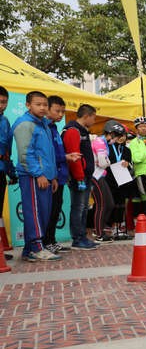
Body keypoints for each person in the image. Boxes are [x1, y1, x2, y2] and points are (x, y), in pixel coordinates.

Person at [12, 91, 60, 261]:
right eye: (38, 104)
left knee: (42, 213)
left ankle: (29, 250)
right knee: (34, 212)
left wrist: (52, 176)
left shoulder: (43, 124)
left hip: (45, 177)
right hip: (32, 176)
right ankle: (37, 247)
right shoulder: (25, 124)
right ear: (28, 105)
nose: (42, 107)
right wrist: (38, 174)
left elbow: (48, 154)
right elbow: (25, 154)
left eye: (45, 104)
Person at [42, 95, 75, 254]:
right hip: (50, 176)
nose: (61, 114)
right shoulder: (44, 128)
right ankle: (45, 241)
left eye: (63, 111)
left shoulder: (54, 128)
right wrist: (65, 157)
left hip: (60, 176)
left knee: (56, 209)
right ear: (47, 109)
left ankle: (52, 240)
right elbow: (49, 154)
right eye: (57, 111)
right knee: (49, 210)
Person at [62, 104, 98, 250]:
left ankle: (82, 236)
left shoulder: (82, 131)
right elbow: (74, 155)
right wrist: (79, 177)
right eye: (93, 118)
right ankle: (77, 238)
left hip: (85, 175)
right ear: (86, 116)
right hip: (79, 177)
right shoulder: (73, 130)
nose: (94, 121)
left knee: (83, 208)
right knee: (78, 207)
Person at [105, 121, 134, 238]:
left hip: (122, 180)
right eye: (119, 135)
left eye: (124, 136)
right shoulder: (107, 147)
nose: (121, 138)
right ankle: (109, 226)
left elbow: (131, 164)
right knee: (111, 203)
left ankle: (119, 226)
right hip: (109, 179)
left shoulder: (127, 150)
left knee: (121, 204)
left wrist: (128, 164)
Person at [90, 122, 115, 242]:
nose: (116, 140)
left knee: (110, 204)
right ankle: (99, 233)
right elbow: (103, 163)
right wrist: (108, 162)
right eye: (116, 137)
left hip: (101, 175)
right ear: (110, 134)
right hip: (95, 176)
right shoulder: (100, 142)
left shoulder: (104, 142)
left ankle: (100, 228)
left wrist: (107, 161)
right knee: (101, 204)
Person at [129, 116, 146, 225]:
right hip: (141, 173)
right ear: (137, 129)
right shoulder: (133, 142)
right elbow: (136, 158)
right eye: (140, 127)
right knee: (144, 196)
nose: (143, 129)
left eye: (145, 126)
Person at [0, 86, 18, 237]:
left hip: (2, 170)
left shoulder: (5, 121)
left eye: (4, 102)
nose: (1, 105)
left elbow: (7, 151)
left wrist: (12, 172)